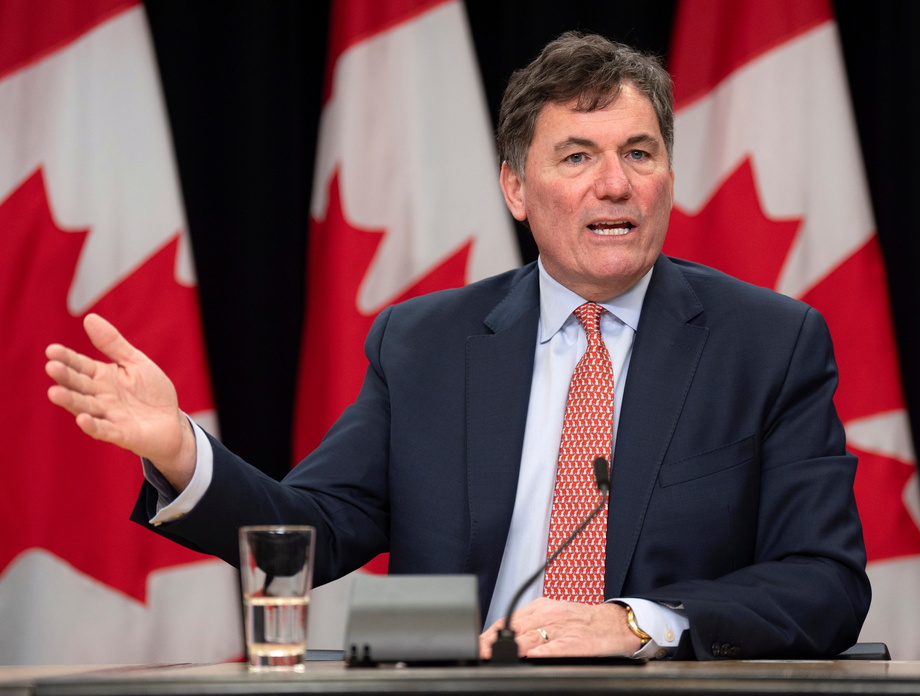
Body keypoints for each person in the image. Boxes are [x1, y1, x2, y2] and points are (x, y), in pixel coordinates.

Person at [45, 32, 869, 661]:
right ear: (515, 187)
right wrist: (181, 453)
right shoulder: (424, 346)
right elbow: (315, 529)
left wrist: (636, 623)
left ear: (667, 178)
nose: (614, 184)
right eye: (577, 156)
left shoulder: (770, 343)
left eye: (638, 154)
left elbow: (824, 580)